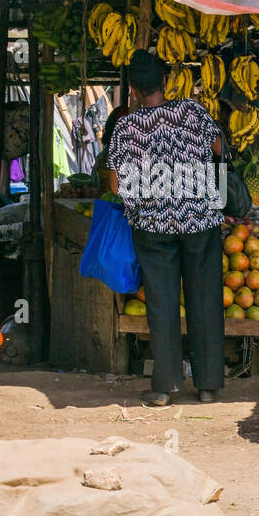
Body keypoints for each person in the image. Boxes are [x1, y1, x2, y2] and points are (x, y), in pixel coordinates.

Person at [107, 50, 225, 405]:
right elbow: (220, 148)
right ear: (164, 81)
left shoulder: (127, 126)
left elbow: (115, 185)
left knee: (161, 303)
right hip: (200, 220)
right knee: (204, 298)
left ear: (133, 89)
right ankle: (208, 385)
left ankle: (164, 387)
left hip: (153, 226)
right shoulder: (192, 111)